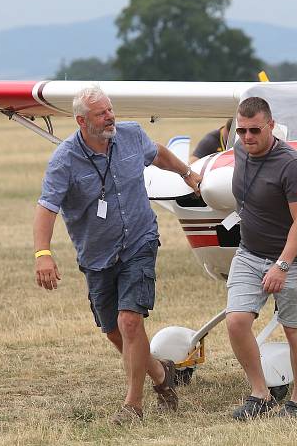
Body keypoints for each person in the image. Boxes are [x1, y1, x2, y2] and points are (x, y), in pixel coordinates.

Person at [33, 86, 201, 425]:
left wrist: (186, 172)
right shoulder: (64, 160)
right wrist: (43, 254)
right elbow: (46, 208)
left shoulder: (131, 134)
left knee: (130, 322)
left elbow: (158, 154)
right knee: (113, 330)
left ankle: (133, 406)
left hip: (139, 241)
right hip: (96, 255)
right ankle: (160, 373)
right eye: (101, 113)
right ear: (81, 121)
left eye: (110, 110)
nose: (110, 116)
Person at [225, 96, 297, 420]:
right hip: (249, 253)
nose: (247, 137)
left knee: (294, 328)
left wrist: (282, 265)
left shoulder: (292, 165)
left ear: (271, 126)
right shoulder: (239, 150)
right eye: (241, 131)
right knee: (236, 322)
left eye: (254, 130)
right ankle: (260, 394)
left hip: (292, 259)